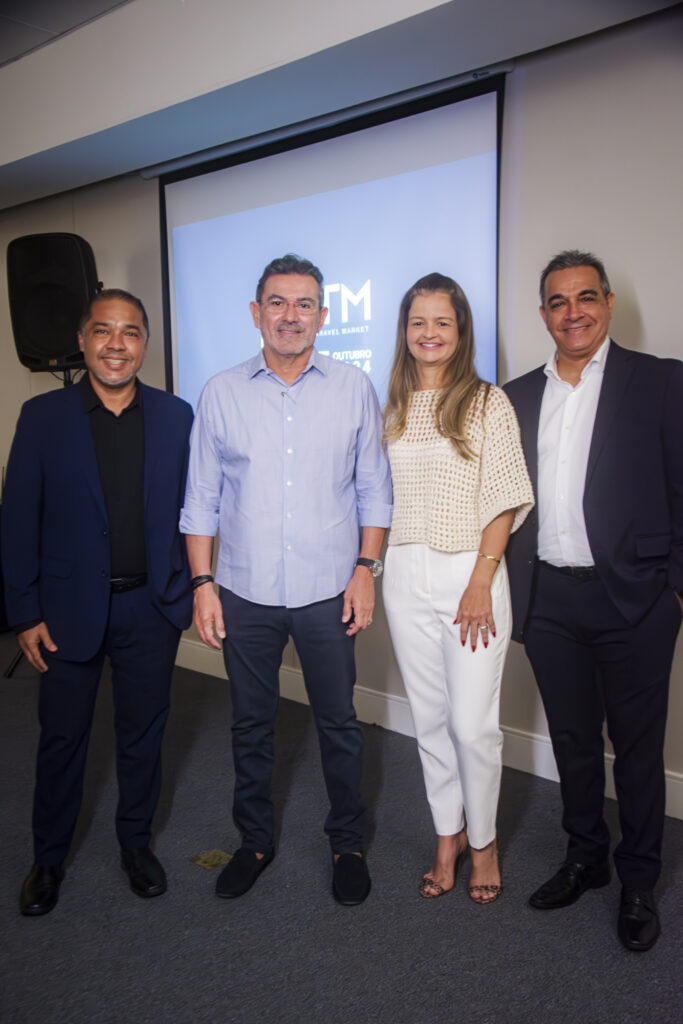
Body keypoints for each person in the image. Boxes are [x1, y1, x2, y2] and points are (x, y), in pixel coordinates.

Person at [180, 254, 392, 906]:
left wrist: (365, 572)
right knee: (249, 725)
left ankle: (346, 843)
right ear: (255, 313)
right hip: (243, 592)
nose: (290, 316)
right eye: (277, 302)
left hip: (329, 591)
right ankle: (255, 841)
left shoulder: (353, 387)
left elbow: (373, 491)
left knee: (338, 725)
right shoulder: (219, 391)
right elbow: (201, 498)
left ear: (323, 316)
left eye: (303, 304)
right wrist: (202, 583)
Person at [504, 250, 683, 952]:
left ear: (606, 303)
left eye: (584, 297)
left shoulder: (660, 383)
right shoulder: (515, 396)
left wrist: (673, 590)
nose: (571, 311)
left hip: (635, 601)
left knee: (636, 750)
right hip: (548, 600)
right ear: (542, 312)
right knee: (573, 743)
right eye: (556, 300)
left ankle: (638, 879)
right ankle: (585, 857)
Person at [2, 289, 194, 916]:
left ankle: (135, 845)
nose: (117, 344)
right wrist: (25, 613)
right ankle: (48, 859)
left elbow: (198, 512)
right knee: (62, 739)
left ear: (145, 343)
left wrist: (192, 590)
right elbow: (17, 521)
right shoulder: (41, 416)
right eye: (103, 331)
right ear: (83, 340)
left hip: (150, 610)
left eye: (131, 332)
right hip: (64, 614)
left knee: (143, 736)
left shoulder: (176, 417)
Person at [382, 273, 533, 903]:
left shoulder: (487, 401)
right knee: (431, 721)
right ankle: (448, 836)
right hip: (403, 575)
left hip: (470, 573)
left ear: (461, 330)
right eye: (419, 321)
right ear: (405, 330)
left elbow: (504, 495)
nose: (429, 333)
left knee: (473, 727)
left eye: (442, 321)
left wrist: (481, 579)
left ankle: (485, 841)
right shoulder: (388, 407)